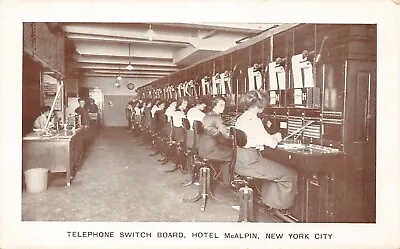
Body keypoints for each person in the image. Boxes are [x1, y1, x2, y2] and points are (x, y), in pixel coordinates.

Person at [234, 90, 297, 211]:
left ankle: (269, 202)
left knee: (274, 168)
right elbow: (271, 144)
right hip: (251, 163)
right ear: (260, 104)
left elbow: (253, 138)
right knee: (290, 174)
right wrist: (276, 138)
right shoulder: (255, 120)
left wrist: (268, 138)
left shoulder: (241, 118)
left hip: (239, 161)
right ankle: (281, 208)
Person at [197, 96, 232, 184]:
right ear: (214, 106)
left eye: (224, 105)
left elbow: (213, 131)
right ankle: (228, 181)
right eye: (220, 105)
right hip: (209, 150)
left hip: (201, 148)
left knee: (225, 149)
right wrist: (233, 132)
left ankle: (223, 177)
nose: (223, 108)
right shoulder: (217, 117)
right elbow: (226, 135)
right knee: (232, 153)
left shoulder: (207, 116)